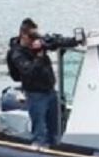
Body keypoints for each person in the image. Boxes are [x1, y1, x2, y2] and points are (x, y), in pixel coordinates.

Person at [8, 17, 60, 147]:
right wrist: (38, 57)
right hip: (36, 94)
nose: (34, 39)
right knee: (40, 131)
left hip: (50, 91)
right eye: (32, 36)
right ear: (24, 35)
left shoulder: (38, 45)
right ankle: (38, 151)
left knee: (54, 130)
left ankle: (54, 148)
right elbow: (28, 72)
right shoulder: (16, 53)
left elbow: (55, 43)